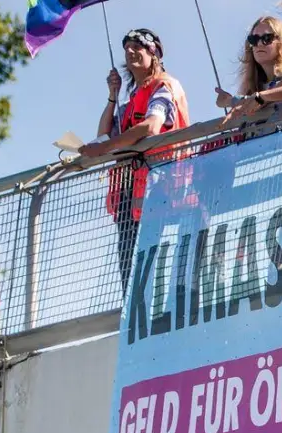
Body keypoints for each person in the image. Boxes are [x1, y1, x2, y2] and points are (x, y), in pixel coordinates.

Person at [79, 28, 190, 286]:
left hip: (160, 191)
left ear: (154, 53)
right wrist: (112, 96)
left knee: (152, 272)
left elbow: (152, 125)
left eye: (137, 47)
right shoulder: (133, 100)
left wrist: (105, 148)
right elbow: (103, 135)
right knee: (130, 277)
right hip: (131, 198)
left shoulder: (164, 87)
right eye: (126, 48)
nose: (130, 52)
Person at [217, 15, 282, 115]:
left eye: (267, 38)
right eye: (254, 39)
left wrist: (230, 101)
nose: (259, 44)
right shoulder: (253, 88)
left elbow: (270, 96)